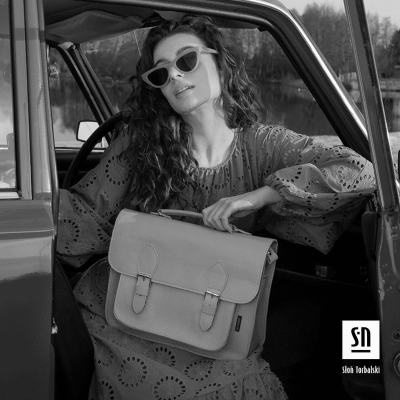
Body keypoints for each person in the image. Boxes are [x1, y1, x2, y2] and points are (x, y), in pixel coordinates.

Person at [57, 15, 376, 400]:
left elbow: (358, 171)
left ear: (221, 63)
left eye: (186, 60)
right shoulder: (141, 143)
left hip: (215, 312)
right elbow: (82, 213)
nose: (174, 76)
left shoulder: (263, 146)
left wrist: (259, 196)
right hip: (129, 302)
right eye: (161, 73)